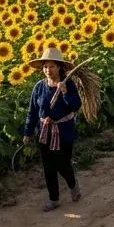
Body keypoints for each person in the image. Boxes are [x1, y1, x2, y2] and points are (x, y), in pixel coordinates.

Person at [21, 47, 83, 212]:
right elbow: (33, 111)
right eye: (45, 67)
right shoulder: (39, 87)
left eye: (52, 66)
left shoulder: (67, 84)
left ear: (60, 67)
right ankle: (54, 199)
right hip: (45, 131)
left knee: (62, 164)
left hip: (64, 131)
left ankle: (73, 184)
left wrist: (65, 93)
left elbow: (76, 105)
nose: (48, 70)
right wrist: (27, 132)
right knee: (48, 167)